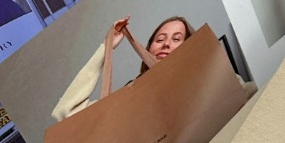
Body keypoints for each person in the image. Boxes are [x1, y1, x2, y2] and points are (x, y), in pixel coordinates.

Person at [51, 14, 196, 121]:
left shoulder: (201, 84)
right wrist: (106, 48)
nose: (166, 44)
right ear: (148, 50)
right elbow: (67, 111)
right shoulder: (132, 97)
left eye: (176, 39)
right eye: (159, 39)